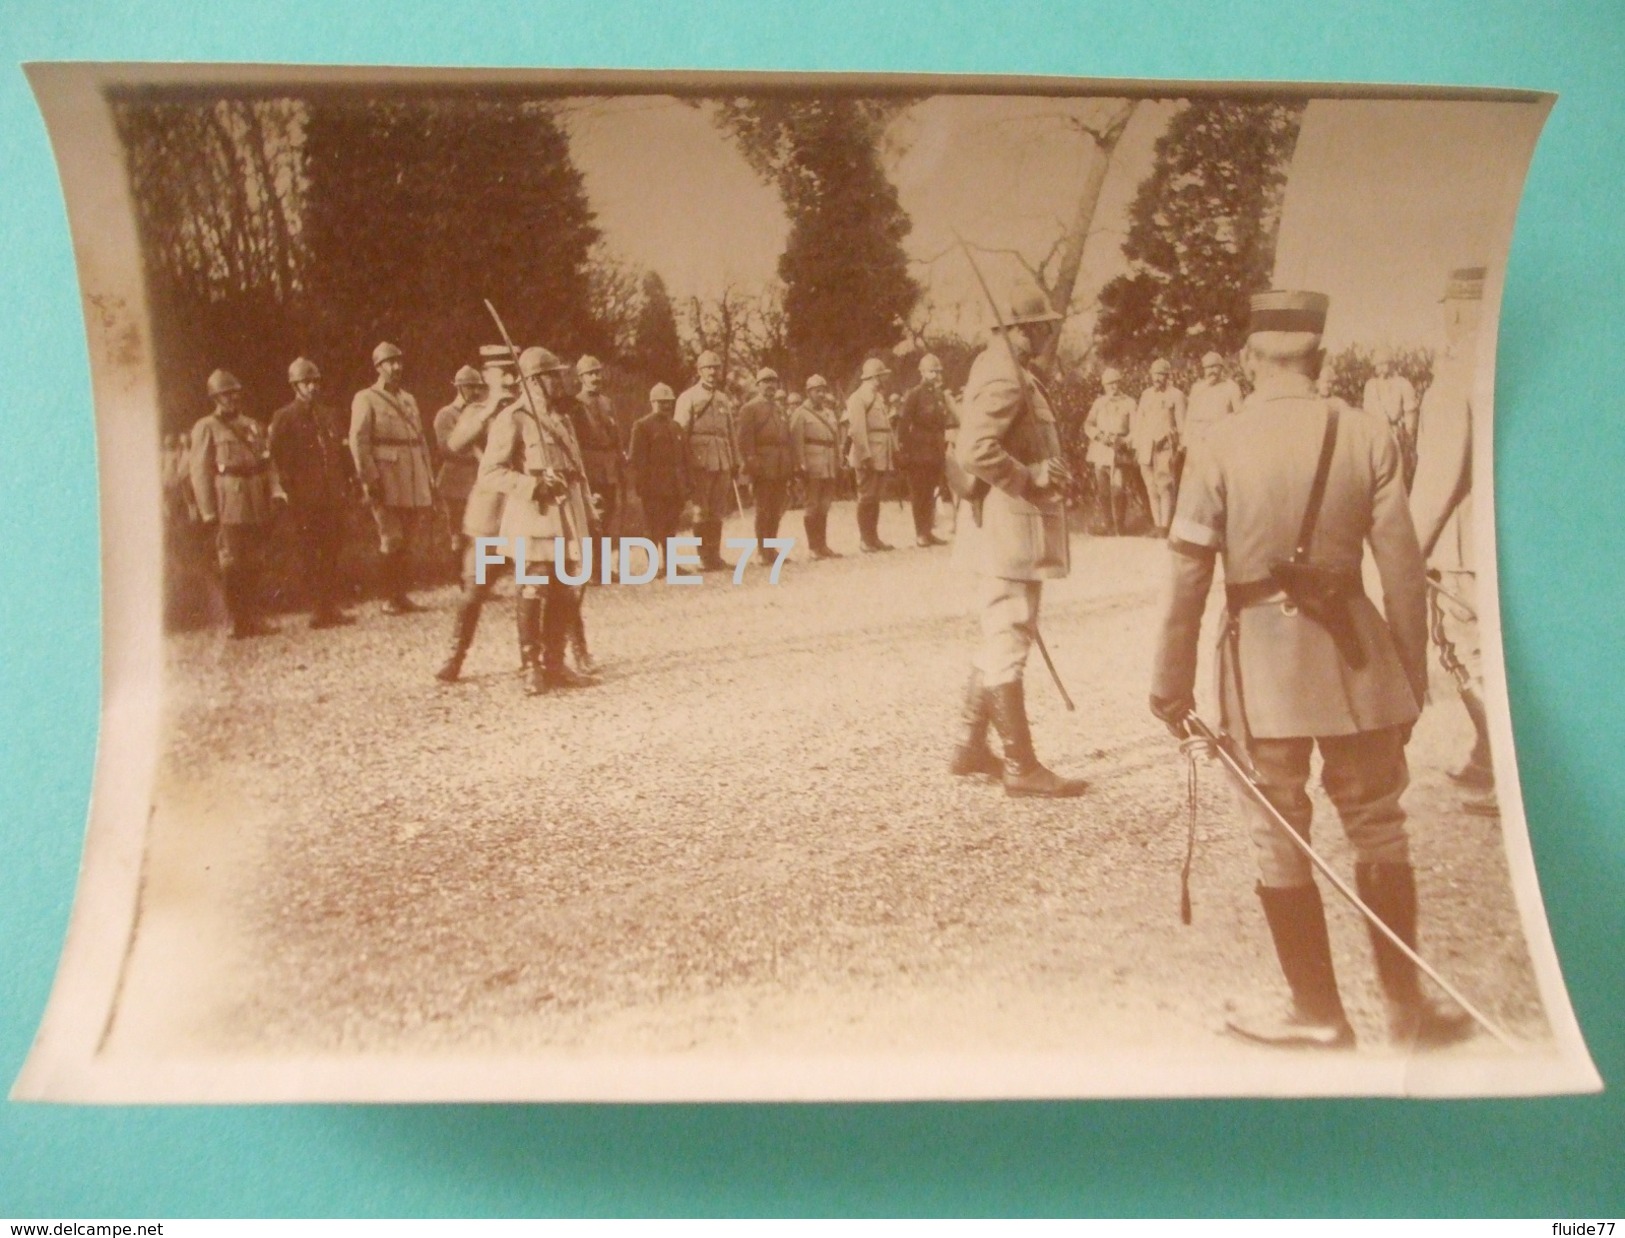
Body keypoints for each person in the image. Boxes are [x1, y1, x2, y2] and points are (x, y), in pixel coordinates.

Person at [1149, 289, 1473, 1052]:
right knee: (1377, 825)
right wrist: (1409, 680)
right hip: (1358, 656)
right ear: (1319, 359)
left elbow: (1188, 579)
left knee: (1277, 834)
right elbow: (1400, 571)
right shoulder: (1365, 434)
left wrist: (1168, 681)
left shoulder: (1217, 444)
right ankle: (1406, 1012)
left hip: (1261, 662)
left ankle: (1319, 1013)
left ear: (1249, 360)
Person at [950, 292, 1089, 798]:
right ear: (1022, 328)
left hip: (1007, 526)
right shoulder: (1005, 374)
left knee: (1000, 632)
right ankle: (1020, 765)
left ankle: (969, 746)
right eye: (1043, 327)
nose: (1050, 335)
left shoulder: (1002, 369)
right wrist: (1029, 476)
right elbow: (975, 449)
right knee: (1008, 634)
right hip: (1011, 526)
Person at [1409, 265, 1496, 817]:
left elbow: (1441, 472)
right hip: (1507, 534)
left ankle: (1513, 779)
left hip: (1465, 542)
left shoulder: (1458, 369)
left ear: (1459, 309)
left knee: (1471, 654)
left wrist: (1407, 546)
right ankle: (1488, 756)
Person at [481, 346, 595, 696]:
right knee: (533, 586)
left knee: (563, 587)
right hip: (533, 515)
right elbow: (491, 472)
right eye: (552, 375)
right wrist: (532, 486)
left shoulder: (562, 418)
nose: (560, 381)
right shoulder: (513, 418)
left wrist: (589, 510)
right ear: (535, 380)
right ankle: (531, 666)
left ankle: (556, 664)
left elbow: (578, 470)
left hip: (565, 514)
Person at [434, 347, 518, 683]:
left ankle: (562, 653)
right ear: (488, 377)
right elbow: (454, 444)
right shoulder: (477, 411)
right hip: (489, 513)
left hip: (525, 509)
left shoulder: (530, 409)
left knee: (549, 581)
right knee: (474, 591)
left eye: (513, 371)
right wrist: (488, 413)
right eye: (502, 373)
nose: (510, 379)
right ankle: (455, 657)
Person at [190, 368, 284, 638]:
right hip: (228, 500)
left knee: (255, 560)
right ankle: (236, 620)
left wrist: (276, 492)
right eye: (225, 394)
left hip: (255, 498)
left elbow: (268, 463)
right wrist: (208, 511)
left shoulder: (252, 425)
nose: (232, 398)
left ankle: (253, 617)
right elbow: (199, 471)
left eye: (234, 393)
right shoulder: (206, 427)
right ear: (215, 398)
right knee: (231, 562)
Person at [268, 356, 357, 628]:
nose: (312, 387)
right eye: (306, 382)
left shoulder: (329, 415)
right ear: (295, 385)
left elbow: (342, 453)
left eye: (315, 381)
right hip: (305, 499)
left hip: (333, 495)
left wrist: (349, 481)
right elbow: (279, 458)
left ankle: (331, 607)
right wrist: (290, 491)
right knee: (310, 553)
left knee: (332, 551)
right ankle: (318, 609)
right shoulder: (285, 417)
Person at [350, 341, 435, 614]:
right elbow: (359, 440)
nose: (396, 367)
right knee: (391, 538)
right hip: (386, 477)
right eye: (390, 363)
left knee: (408, 538)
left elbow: (420, 440)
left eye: (399, 362)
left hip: (411, 477)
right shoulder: (366, 398)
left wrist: (428, 476)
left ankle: (401, 596)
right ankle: (388, 598)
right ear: (378, 367)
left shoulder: (408, 399)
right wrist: (369, 478)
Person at [674, 350, 739, 571]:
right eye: (707, 368)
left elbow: (730, 432)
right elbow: (680, 432)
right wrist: (683, 463)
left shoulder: (722, 398)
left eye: (716, 367)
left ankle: (714, 556)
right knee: (701, 509)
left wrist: (735, 460)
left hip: (722, 459)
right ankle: (703, 557)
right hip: (699, 459)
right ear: (699, 371)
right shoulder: (688, 397)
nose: (712, 372)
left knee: (717, 508)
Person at [628, 382, 694, 575]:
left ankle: (671, 564)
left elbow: (685, 457)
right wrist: (643, 485)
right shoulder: (642, 426)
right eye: (661, 402)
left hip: (675, 485)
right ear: (652, 403)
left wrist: (688, 482)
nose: (666, 406)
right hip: (654, 486)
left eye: (669, 402)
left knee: (671, 525)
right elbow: (637, 459)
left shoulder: (676, 427)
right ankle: (653, 566)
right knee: (653, 526)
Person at [895, 352, 951, 547]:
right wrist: (904, 451)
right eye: (931, 371)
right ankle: (920, 533)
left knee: (931, 493)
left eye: (937, 372)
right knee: (919, 493)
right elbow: (903, 425)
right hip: (918, 451)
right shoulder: (914, 394)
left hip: (935, 450)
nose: (935, 375)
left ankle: (928, 531)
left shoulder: (938, 395)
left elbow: (942, 423)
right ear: (922, 372)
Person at [433, 364, 487, 561]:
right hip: (454, 481)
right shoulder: (446, 414)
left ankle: (473, 576)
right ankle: (460, 579)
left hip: (477, 479)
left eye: (478, 387)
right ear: (459, 388)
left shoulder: (481, 413)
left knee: (478, 529)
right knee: (457, 531)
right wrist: (476, 456)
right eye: (471, 387)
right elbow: (446, 449)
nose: (476, 391)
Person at [736, 367, 795, 546]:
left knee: (777, 508)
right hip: (762, 465)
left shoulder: (779, 408)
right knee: (764, 509)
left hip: (780, 465)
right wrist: (753, 464)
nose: (770, 385)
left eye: (773, 381)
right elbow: (744, 440)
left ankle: (771, 547)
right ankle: (763, 551)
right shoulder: (750, 408)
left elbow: (787, 437)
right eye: (766, 381)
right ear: (758, 385)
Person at [844, 356, 896, 552]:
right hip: (868, 454)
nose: (884, 379)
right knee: (867, 496)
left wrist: (894, 450)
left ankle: (873, 538)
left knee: (875, 496)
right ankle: (865, 540)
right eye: (882, 376)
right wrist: (865, 455)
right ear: (874, 377)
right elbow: (857, 430)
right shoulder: (858, 398)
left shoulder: (878, 397)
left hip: (881, 453)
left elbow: (886, 428)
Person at [1132, 357, 1185, 537]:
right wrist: (1137, 445)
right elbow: (1139, 422)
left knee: (1165, 486)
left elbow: (1182, 425)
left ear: (1168, 376)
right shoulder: (1146, 395)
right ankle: (1157, 524)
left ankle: (1165, 526)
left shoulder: (1176, 395)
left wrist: (1176, 444)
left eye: (1161, 374)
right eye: (1155, 373)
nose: (1157, 377)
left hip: (1165, 447)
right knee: (1151, 487)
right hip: (1146, 447)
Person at [791, 374, 842, 559]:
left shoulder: (829, 413)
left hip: (828, 463)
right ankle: (813, 548)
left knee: (825, 504)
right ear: (808, 392)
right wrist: (800, 465)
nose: (821, 394)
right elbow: (796, 442)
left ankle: (823, 545)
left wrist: (838, 461)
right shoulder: (801, 413)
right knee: (812, 504)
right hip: (811, 464)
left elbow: (835, 440)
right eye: (817, 390)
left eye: (823, 390)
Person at [1083, 367, 1137, 535]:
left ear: (1120, 383)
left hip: (1120, 449)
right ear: (1104, 386)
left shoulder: (1129, 402)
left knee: (1119, 489)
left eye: (1115, 383)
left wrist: (1125, 441)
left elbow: (1136, 428)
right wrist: (1099, 436)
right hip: (1100, 449)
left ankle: (1120, 526)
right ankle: (1108, 526)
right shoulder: (1099, 403)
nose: (1113, 387)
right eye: (1109, 384)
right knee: (1103, 490)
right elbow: (1088, 425)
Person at [1363, 346, 1420, 489]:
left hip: (1397, 433)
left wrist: (1409, 433)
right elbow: (1369, 411)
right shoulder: (1371, 386)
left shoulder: (1402, 383)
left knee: (1400, 472)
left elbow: (1410, 410)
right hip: (1377, 434)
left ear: (1391, 364)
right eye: (1378, 365)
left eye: (1384, 364)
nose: (1381, 368)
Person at [1184, 352, 1244, 452]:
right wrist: (1184, 445)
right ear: (1203, 369)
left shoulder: (1231, 387)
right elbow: (1189, 419)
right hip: (1199, 442)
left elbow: (1240, 417)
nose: (1211, 371)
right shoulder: (1197, 388)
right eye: (1208, 367)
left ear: (1221, 368)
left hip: (1223, 442)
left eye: (1215, 367)